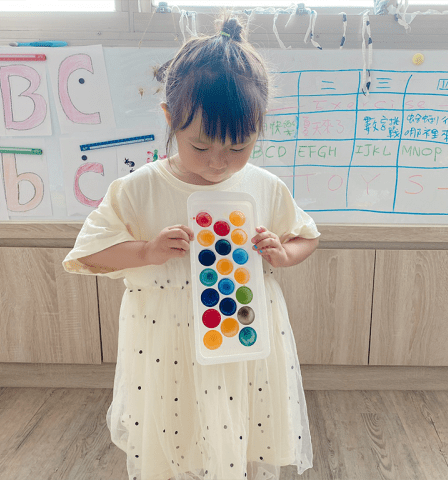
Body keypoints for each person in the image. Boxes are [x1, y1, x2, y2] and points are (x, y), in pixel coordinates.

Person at [62, 13, 320, 480]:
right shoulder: (138, 188)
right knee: (176, 438)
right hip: (168, 346)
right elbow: (87, 254)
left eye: (238, 147)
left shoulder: (264, 185)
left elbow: (306, 236)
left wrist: (283, 255)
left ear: (259, 126)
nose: (219, 162)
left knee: (238, 433)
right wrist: (146, 251)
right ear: (169, 118)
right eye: (200, 146)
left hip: (243, 339)